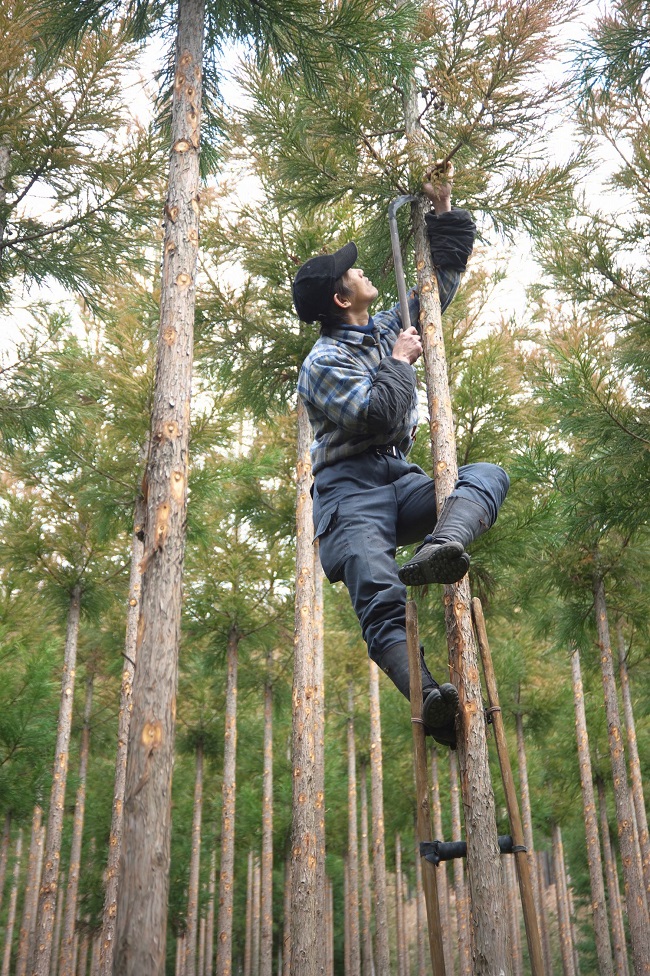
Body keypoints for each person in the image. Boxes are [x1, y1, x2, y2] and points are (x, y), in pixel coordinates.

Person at [292, 177, 509, 747]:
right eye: (352, 273)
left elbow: (437, 289)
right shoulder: (321, 364)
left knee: (486, 476)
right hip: (348, 494)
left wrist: (443, 213)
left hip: (397, 478)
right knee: (380, 598)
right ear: (342, 299)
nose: (362, 272)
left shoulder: (385, 328)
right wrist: (399, 360)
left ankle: (443, 546)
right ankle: (434, 703)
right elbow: (382, 414)